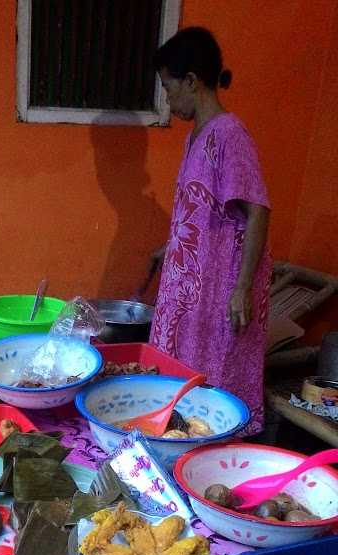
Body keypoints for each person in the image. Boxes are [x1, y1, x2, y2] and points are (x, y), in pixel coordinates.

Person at [148, 26, 271, 434]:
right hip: (191, 286)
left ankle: (215, 454)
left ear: (191, 81)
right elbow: (206, 211)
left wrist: (242, 288)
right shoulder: (196, 137)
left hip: (220, 290)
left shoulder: (229, 135)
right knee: (182, 374)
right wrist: (172, 247)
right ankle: (182, 443)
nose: (168, 98)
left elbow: (257, 212)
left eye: (169, 87)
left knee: (216, 381)